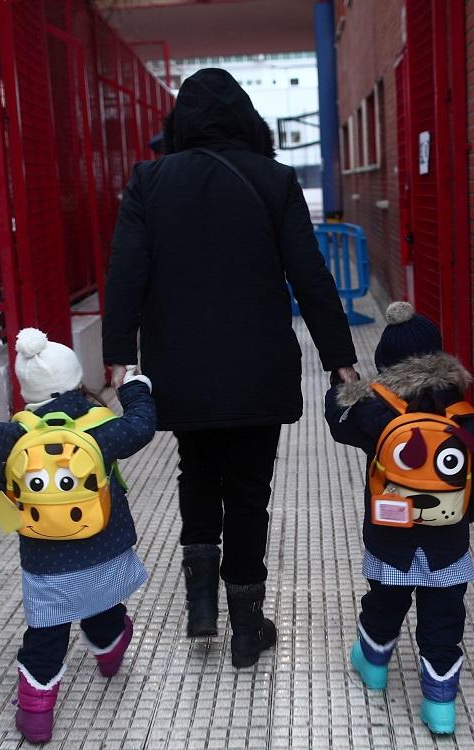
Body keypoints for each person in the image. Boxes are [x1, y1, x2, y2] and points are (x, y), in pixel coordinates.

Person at [102, 68, 358, 669]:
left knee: (196, 473)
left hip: (181, 370)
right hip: (256, 368)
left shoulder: (150, 181)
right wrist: (340, 359)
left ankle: (201, 610)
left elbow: (125, 275)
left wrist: (119, 357)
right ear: (247, 118)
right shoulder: (273, 179)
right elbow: (309, 275)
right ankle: (247, 628)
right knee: (249, 492)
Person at [323, 302, 474, 735]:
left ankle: (374, 664)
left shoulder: (376, 413)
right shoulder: (464, 418)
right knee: (443, 622)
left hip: (390, 541)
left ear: (385, 367)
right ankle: (440, 706)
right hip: (447, 548)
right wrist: (456, 517)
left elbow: (337, 421)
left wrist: (342, 386)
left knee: (384, 603)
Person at [0, 328, 156, 744]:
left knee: (45, 636)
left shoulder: (14, 436)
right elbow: (142, 426)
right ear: (76, 380)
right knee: (104, 608)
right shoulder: (98, 427)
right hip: (103, 548)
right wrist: (134, 388)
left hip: (45, 561)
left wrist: (17, 525)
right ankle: (110, 651)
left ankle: (36, 715)